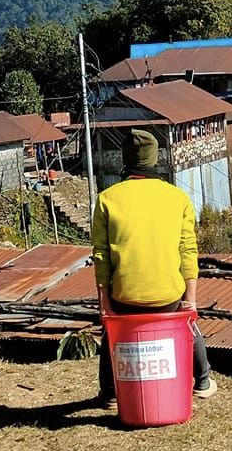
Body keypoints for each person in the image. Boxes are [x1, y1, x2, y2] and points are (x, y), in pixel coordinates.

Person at [91, 127, 215, 402]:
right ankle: (203, 382)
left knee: (109, 334)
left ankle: (110, 392)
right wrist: (189, 302)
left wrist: (106, 305)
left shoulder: (106, 200)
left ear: (126, 160)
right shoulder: (178, 197)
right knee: (189, 328)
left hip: (124, 298)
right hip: (168, 298)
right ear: (153, 160)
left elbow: (101, 257)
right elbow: (188, 251)